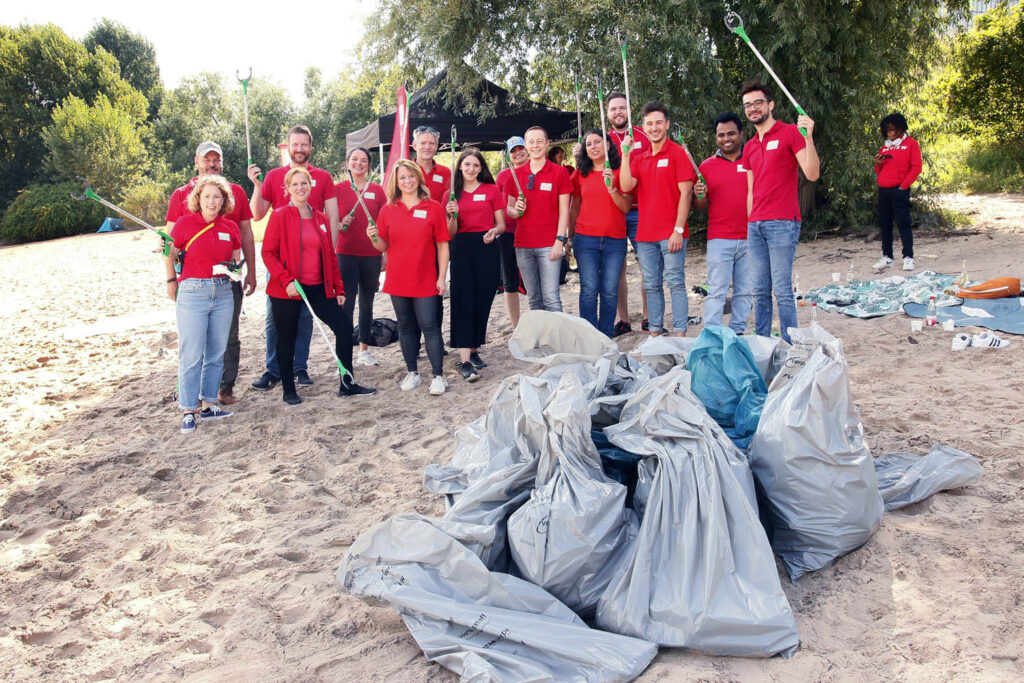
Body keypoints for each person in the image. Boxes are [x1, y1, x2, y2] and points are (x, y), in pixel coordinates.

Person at [261, 167, 375, 405]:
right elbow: (268, 253)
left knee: (343, 328)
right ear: (287, 188)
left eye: (304, 184)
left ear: (310, 187)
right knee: (286, 338)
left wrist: (338, 288)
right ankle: (289, 390)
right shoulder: (280, 215)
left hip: (318, 288)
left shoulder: (320, 218)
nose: (300, 188)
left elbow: (330, 257)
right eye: (295, 184)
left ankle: (347, 383)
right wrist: (286, 280)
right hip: (288, 289)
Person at [248, 125, 340, 390]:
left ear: (311, 146)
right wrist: (255, 185)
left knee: (305, 315)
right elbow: (257, 214)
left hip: (314, 259)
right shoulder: (275, 176)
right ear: (287, 146)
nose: (299, 149)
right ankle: (274, 370)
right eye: (295, 144)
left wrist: (329, 256)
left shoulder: (322, 177)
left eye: (304, 144)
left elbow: (332, 216)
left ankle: (300, 367)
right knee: (274, 318)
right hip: (281, 261)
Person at [165, 141, 256, 406]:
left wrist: (250, 271)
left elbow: (246, 234)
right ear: (197, 161)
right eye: (207, 159)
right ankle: (191, 395)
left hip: (227, 282)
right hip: (193, 282)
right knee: (193, 342)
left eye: (217, 159)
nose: (212, 164)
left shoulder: (235, 192)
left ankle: (224, 387)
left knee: (228, 336)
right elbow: (169, 243)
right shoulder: (180, 194)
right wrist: (171, 278)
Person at [741, 79, 819, 343]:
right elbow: (751, 190)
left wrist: (808, 137)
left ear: (771, 105)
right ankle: (762, 343)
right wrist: (750, 222)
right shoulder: (749, 146)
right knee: (759, 290)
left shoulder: (789, 133)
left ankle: (790, 345)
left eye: (758, 103)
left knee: (782, 289)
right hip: (756, 225)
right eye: (748, 105)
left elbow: (811, 173)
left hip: (783, 223)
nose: (753, 109)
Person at [167, 175, 241, 433]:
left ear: (224, 201)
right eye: (207, 196)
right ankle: (189, 409)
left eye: (217, 197)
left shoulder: (230, 227)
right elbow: (171, 253)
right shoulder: (185, 224)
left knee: (216, 352)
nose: (212, 201)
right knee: (191, 353)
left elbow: (235, 260)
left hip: (222, 292)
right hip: (192, 292)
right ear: (198, 198)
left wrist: (233, 271)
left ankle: (209, 405)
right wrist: (170, 280)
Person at [371, 159, 451, 395]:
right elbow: (381, 246)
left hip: (426, 277)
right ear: (396, 182)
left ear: (418, 177)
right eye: (402, 177)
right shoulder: (387, 210)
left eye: (411, 176)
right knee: (406, 327)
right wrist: (373, 238)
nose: (407, 181)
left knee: (430, 325)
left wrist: (442, 276)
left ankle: (438, 376)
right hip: (398, 279)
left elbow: (443, 245)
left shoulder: (433, 207)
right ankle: (412, 372)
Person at [619, 102, 696, 336]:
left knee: (675, 282)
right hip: (645, 235)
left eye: (659, 123)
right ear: (643, 127)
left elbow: (687, 193)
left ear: (667, 125)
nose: (654, 128)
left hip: (671, 232)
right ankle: (655, 332)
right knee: (651, 285)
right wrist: (625, 155)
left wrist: (678, 230)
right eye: (650, 124)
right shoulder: (639, 158)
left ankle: (680, 332)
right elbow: (625, 186)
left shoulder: (677, 153)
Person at [444, 148, 505, 382]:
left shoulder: (491, 190)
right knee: (463, 301)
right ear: (460, 166)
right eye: (467, 165)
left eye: (476, 165)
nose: (471, 169)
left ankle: (475, 348)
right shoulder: (452, 194)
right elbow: (450, 233)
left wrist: (494, 232)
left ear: (482, 168)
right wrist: (453, 216)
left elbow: (500, 224)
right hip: (462, 248)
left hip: (487, 246)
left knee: (483, 301)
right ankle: (465, 360)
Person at [692, 112, 753, 334]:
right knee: (717, 290)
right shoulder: (706, 167)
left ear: (741, 134)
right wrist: (699, 195)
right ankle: (713, 333)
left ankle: (737, 332)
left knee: (745, 291)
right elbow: (699, 206)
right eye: (721, 135)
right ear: (715, 137)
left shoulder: (752, 159)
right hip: (719, 239)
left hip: (749, 237)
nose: (726, 139)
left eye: (731, 134)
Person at [569, 130, 631, 336]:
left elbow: (626, 207)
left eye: (598, 142)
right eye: (589, 144)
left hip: (615, 240)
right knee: (588, 290)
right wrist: (569, 238)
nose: (593, 147)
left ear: (608, 145)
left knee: (610, 291)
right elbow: (574, 207)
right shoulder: (580, 174)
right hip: (585, 239)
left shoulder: (621, 170)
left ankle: (605, 335)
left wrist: (612, 188)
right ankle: (590, 336)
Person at [503, 126, 572, 312]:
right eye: (531, 142)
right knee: (534, 299)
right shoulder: (515, 175)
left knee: (551, 297)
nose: (535, 145)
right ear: (525, 145)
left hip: (549, 244)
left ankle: (556, 340)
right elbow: (509, 210)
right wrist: (516, 210)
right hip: (523, 244)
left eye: (540, 141)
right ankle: (541, 340)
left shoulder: (559, 172)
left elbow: (565, 210)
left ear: (547, 143)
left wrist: (560, 240)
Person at [336, 146, 386, 367]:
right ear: (348, 163)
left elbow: (385, 223)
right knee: (347, 303)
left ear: (368, 164)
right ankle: (344, 348)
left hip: (371, 254)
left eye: (363, 160)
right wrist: (340, 223)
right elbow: (325, 220)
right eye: (354, 159)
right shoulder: (337, 189)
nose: (359, 163)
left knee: (367, 303)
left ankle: (364, 350)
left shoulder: (377, 190)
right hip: (346, 253)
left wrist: (384, 252)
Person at [606, 92, 650, 334]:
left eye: (622, 108)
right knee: (617, 268)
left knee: (647, 265)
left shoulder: (642, 135)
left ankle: (647, 316)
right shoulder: (603, 139)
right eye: (613, 109)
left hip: (642, 210)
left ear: (629, 110)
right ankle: (622, 319)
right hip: (615, 210)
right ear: (608, 113)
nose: (618, 112)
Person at [412, 125, 450, 344]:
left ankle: (435, 341)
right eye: (423, 143)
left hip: (437, 243)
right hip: (412, 243)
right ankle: (415, 341)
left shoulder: (445, 173)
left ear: (437, 146)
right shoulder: (405, 169)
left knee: (437, 291)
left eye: (431, 143)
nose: (427, 147)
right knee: (413, 292)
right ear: (414, 145)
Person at [873, 112, 922, 272]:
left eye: (893, 129)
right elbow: (878, 170)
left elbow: (916, 167)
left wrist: (904, 185)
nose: (890, 132)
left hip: (899, 189)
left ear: (901, 128)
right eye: (887, 130)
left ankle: (908, 257)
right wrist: (878, 163)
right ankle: (887, 256)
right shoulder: (885, 146)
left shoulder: (911, 144)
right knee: (885, 224)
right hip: (883, 189)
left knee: (904, 224)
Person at [495, 136, 527, 329]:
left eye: (520, 148)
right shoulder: (503, 176)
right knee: (510, 282)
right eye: (513, 151)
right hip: (508, 233)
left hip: (532, 233)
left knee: (534, 282)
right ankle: (516, 326)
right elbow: (499, 205)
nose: (517, 153)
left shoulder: (536, 172)